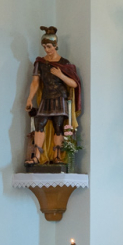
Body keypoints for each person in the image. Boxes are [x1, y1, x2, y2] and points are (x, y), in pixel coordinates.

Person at [25, 27, 82, 165]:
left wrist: (60, 75)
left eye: (49, 46)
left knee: (58, 126)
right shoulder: (40, 63)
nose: (46, 50)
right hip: (46, 97)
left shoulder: (64, 63)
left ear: (55, 45)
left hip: (59, 97)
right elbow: (35, 83)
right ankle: (37, 156)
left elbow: (74, 84)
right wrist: (29, 99)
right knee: (39, 123)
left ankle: (57, 156)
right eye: (44, 47)